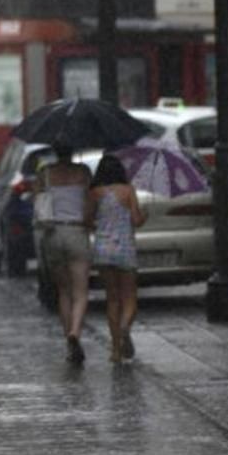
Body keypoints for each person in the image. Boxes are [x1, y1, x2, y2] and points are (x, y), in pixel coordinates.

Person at [35, 143, 93, 364]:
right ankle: (75, 333)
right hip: (76, 231)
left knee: (63, 291)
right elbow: (89, 207)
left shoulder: (45, 174)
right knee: (80, 291)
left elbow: (37, 203)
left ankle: (68, 341)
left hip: (53, 233)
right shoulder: (83, 172)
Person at [86, 154, 147, 364]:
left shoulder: (94, 193)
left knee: (112, 299)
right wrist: (143, 215)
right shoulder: (128, 190)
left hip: (103, 249)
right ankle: (124, 329)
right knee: (129, 298)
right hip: (125, 248)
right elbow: (137, 220)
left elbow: (88, 220)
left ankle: (115, 351)